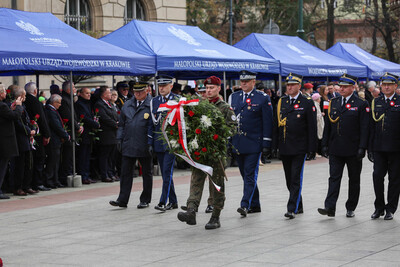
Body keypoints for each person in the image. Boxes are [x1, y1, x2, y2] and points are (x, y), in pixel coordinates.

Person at [177, 76, 236, 229]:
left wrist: (218, 133)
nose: (208, 91)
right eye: (206, 89)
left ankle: (215, 216)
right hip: (200, 152)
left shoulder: (225, 108)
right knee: (195, 180)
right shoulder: (199, 105)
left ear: (218, 88)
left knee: (216, 186)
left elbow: (233, 128)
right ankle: (191, 211)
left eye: (211, 88)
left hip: (216, 154)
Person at [318, 73, 369, 218]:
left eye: (345, 87)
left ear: (353, 88)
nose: (342, 89)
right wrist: (324, 144)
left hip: (353, 148)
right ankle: (330, 207)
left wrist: (362, 147)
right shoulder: (333, 102)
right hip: (336, 147)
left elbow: (364, 128)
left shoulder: (361, 104)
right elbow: (328, 125)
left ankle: (351, 207)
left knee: (354, 179)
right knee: (334, 177)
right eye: (341, 86)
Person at [229, 70, 273, 217]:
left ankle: (245, 204)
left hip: (254, 143)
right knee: (245, 174)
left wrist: (266, 143)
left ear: (253, 82)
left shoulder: (262, 98)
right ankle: (255, 204)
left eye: (247, 81)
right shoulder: (234, 97)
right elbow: (230, 121)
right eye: (241, 81)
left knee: (249, 174)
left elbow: (268, 122)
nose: (243, 84)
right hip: (239, 142)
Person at [275, 73, 317, 219]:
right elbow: (277, 125)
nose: (290, 87)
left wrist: (312, 148)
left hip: (299, 146)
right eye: (288, 85)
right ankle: (299, 205)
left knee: (295, 177)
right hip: (285, 145)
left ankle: (291, 208)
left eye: (293, 85)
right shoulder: (283, 101)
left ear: (299, 86)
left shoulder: (307, 101)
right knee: (288, 178)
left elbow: (312, 127)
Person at [109, 81, 153, 208]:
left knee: (147, 173)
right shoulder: (128, 104)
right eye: (136, 91)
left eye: (141, 91)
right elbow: (122, 125)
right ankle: (122, 199)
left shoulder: (151, 104)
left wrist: (151, 143)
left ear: (147, 91)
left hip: (144, 143)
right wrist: (119, 139)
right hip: (128, 142)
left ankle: (145, 199)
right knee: (125, 173)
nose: (137, 94)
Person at [369, 73, 400, 220]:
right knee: (377, 177)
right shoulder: (376, 101)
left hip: (396, 148)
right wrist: (369, 147)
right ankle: (379, 207)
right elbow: (371, 127)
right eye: (384, 84)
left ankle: (391, 208)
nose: (386, 87)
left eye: (390, 84)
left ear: (395, 86)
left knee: (394, 179)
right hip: (379, 147)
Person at [148, 75, 179, 212]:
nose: (161, 88)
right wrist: (150, 142)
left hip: (171, 143)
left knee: (166, 172)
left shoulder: (177, 100)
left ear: (171, 86)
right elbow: (151, 124)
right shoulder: (154, 101)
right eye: (159, 86)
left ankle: (162, 201)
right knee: (166, 173)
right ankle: (173, 201)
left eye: (164, 86)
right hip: (158, 143)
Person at [23, 82, 51, 191]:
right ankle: (38, 183)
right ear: (35, 91)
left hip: (31, 133)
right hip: (37, 134)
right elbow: (41, 119)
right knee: (39, 158)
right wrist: (47, 134)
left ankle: (34, 183)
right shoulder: (35, 101)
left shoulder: (26, 101)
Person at [9, 87, 37, 196]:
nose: (25, 97)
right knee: (20, 165)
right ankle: (18, 187)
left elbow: (27, 120)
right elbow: (18, 122)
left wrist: (32, 127)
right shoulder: (16, 106)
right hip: (20, 138)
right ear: (20, 96)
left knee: (27, 163)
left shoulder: (23, 106)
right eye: (24, 95)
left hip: (26, 138)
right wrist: (29, 131)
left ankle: (26, 185)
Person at [58, 81, 83, 186]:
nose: (75, 89)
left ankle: (69, 173)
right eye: (73, 87)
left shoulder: (69, 99)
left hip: (72, 130)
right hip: (68, 131)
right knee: (67, 156)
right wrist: (77, 127)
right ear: (68, 89)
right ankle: (65, 176)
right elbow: (68, 116)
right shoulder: (64, 100)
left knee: (71, 155)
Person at [0, 84, 23, 199]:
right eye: (4, 92)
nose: (6, 93)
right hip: (4, 140)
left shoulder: (3, 106)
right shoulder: (2, 106)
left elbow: (8, 115)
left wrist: (12, 108)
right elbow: (15, 116)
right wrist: (19, 106)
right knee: (2, 166)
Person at [74, 87, 100, 184]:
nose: (89, 95)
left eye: (89, 93)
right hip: (83, 133)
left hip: (89, 133)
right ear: (80, 94)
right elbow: (83, 117)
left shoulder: (88, 103)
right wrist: (94, 124)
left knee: (87, 155)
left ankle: (87, 174)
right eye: (86, 93)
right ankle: (83, 175)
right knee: (83, 155)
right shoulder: (79, 104)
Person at [44, 94, 69, 189]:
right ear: (54, 102)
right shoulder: (50, 111)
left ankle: (55, 180)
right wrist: (65, 135)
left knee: (56, 162)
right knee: (52, 161)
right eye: (59, 103)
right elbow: (56, 126)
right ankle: (49, 180)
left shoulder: (53, 110)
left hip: (57, 140)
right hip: (54, 140)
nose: (60, 105)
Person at [94, 86, 119, 183]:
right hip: (106, 134)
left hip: (113, 134)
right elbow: (104, 117)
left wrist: (118, 122)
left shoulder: (109, 104)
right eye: (109, 93)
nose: (111, 95)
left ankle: (110, 173)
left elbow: (115, 114)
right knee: (105, 155)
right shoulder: (99, 104)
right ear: (104, 95)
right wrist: (115, 124)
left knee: (111, 156)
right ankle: (104, 175)